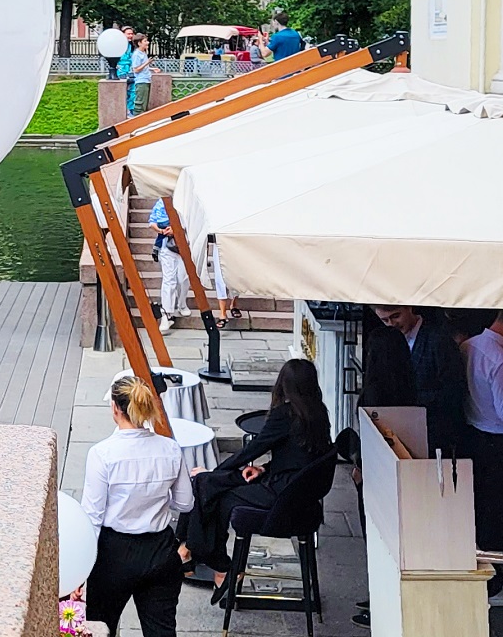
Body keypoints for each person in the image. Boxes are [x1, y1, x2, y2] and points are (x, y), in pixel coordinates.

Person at [176, 359, 332, 603]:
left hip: (282, 495)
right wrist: (263, 468)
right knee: (211, 484)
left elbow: (253, 449)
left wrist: (216, 472)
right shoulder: (319, 413)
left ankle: (202, 556)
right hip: (295, 491)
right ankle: (194, 552)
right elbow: (300, 457)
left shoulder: (286, 415)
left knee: (213, 488)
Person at [81, 376, 194, 637]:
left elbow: (92, 517)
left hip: (114, 553)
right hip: (160, 549)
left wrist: (81, 569)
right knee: (161, 631)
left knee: (100, 627)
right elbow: (185, 503)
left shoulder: (102, 454)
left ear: (115, 408)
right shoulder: (170, 449)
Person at [345, 325, 418, 630]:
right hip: (405, 471)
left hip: (376, 474)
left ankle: (380, 603)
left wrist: (360, 467)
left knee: (376, 540)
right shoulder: (409, 387)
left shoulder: (375, 393)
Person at [373, 305, 466, 456]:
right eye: (385, 320)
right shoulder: (388, 342)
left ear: (409, 308)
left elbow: (454, 388)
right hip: (405, 433)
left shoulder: (438, 339)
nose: (391, 324)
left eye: (396, 316)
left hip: (436, 434)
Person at [460, 311, 503, 599]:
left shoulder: (468, 346)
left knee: (480, 510)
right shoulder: (499, 360)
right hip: (495, 442)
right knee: (494, 514)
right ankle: (494, 580)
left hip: (470, 435)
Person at [148, 200, 189, 332]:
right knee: (169, 279)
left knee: (183, 278)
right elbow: (152, 222)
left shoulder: (186, 199)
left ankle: (182, 303)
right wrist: (162, 230)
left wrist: (177, 228)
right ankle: (166, 313)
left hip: (184, 244)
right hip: (166, 244)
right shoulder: (160, 203)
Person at [130, 34, 161, 116]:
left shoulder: (143, 53)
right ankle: (137, 120)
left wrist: (152, 68)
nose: (148, 42)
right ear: (139, 43)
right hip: (141, 81)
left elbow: (142, 67)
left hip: (146, 80)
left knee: (144, 104)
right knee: (140, 104)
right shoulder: (137, 54)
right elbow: (136, 70)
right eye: (145, 41)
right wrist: (147, 63)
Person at [116, 26, 136, 116]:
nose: (130, 36)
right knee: (122, 90)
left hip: (130, 70)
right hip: (121, 69)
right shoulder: (119, 45)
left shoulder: (132, 46)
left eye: (132, 34)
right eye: (128, 34)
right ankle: (123, 110)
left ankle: (131, 109)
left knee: (133, 90)